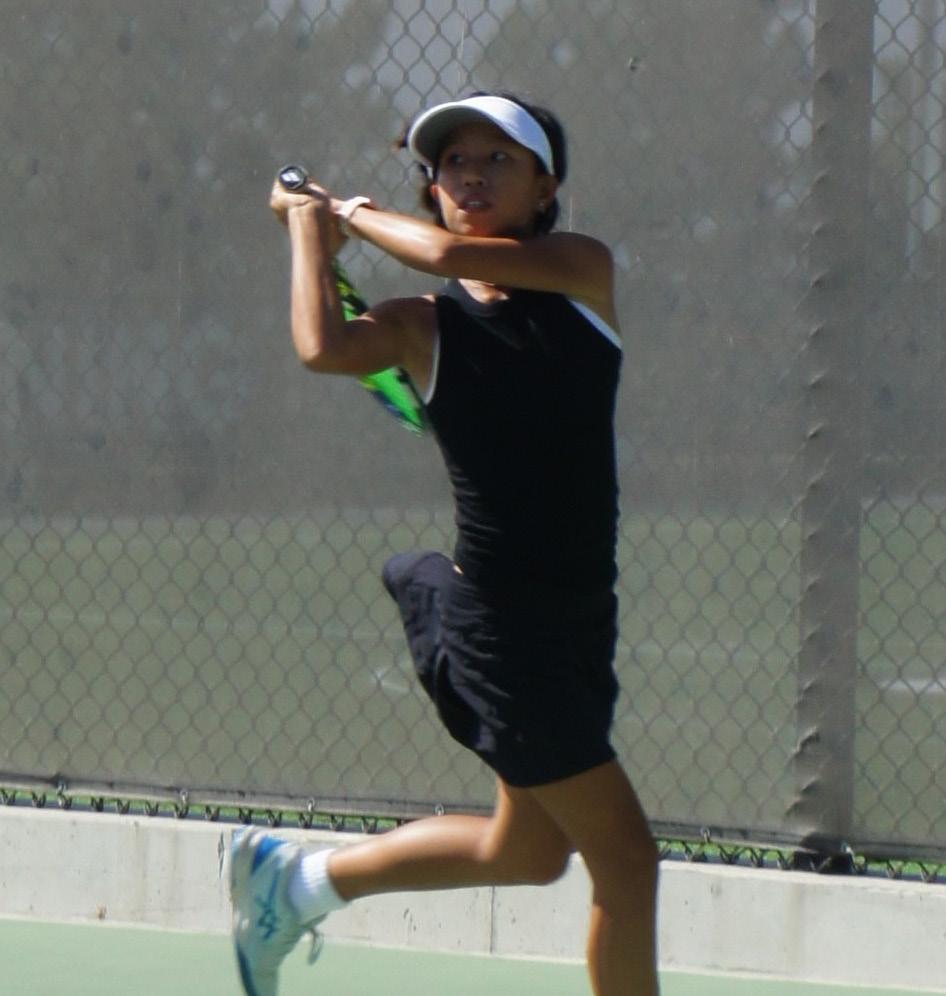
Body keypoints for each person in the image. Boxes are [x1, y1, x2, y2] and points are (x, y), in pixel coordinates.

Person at [231, 91, 660, 996]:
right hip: (504, 632)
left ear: (545, 187)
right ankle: (292, 887)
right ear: (433, 186)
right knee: (627, 860)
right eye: (453, 161)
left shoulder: (582, 272)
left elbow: (447, 253)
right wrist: (306, 230)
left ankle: (295, 884)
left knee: (526, 851)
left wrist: (344, 211)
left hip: (581, 621)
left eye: (499, 159)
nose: (471, 175)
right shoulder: (421, 326)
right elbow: (323, 347)